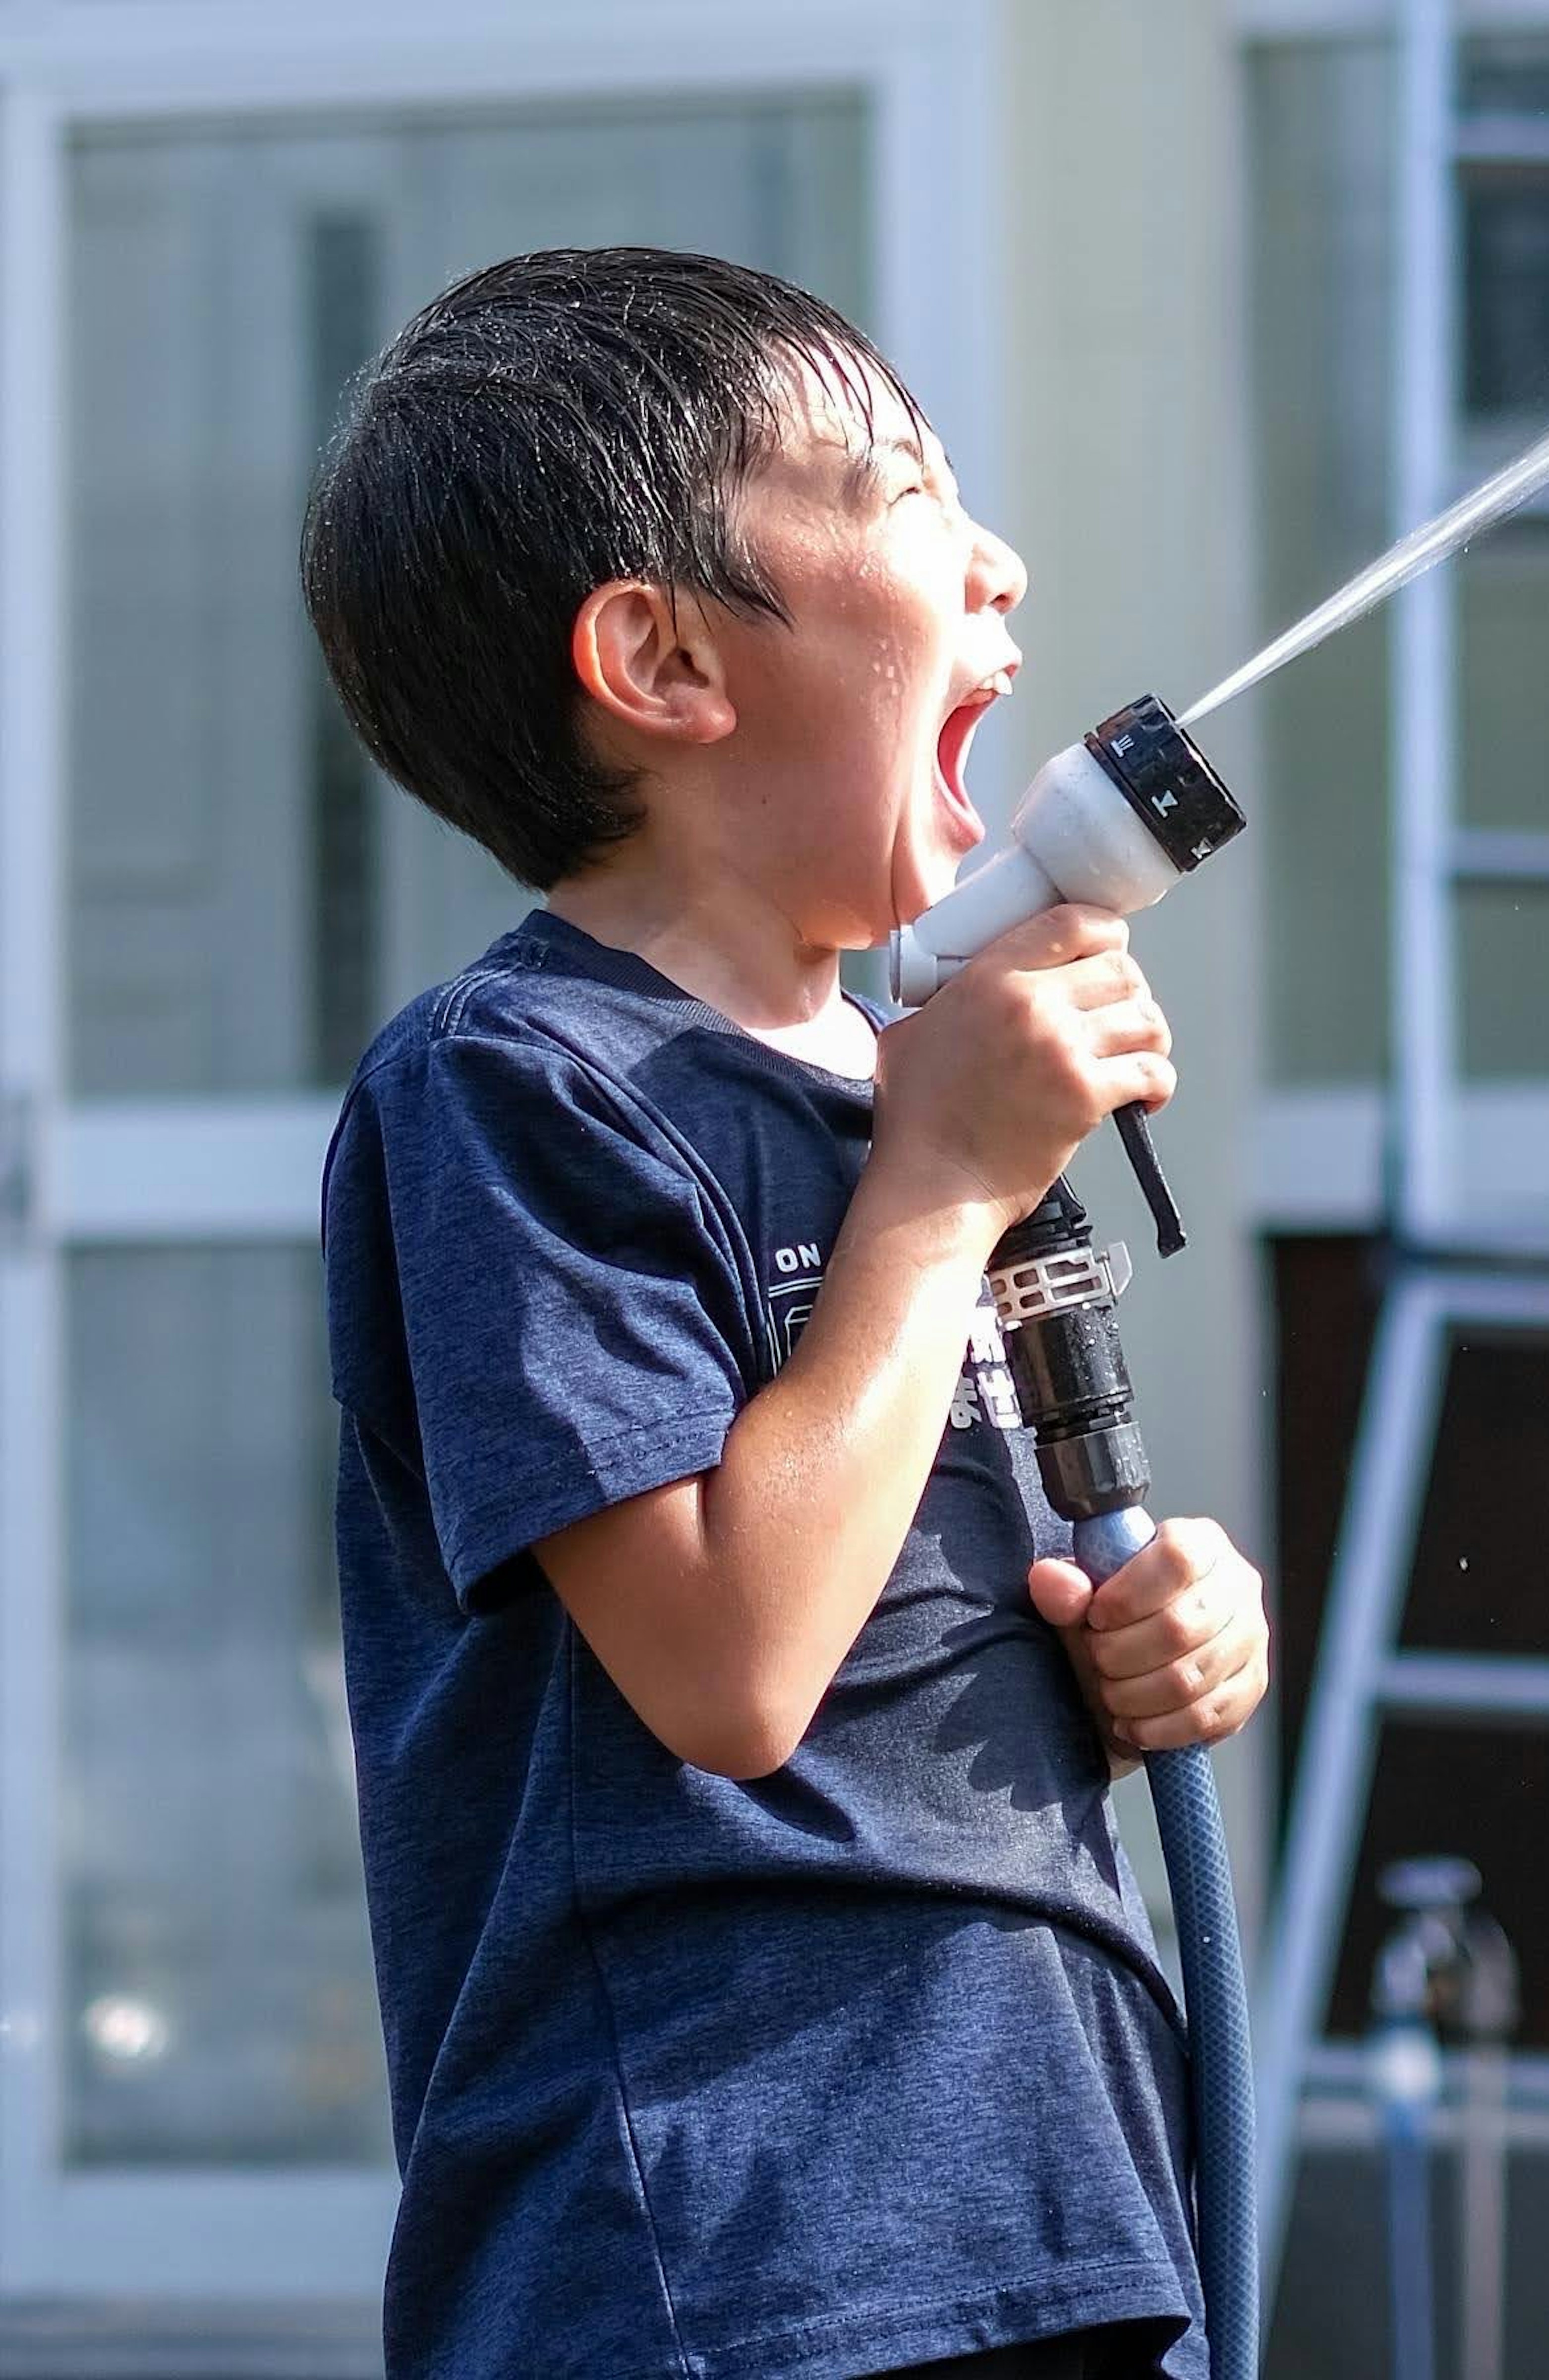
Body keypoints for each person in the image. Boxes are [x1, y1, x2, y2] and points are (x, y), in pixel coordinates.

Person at [306, 246, 1270, 2380]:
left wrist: (1153, 1621)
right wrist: (940, 1189)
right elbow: (735, 1672)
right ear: (658, 656)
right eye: (904, 494)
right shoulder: (515, 1090)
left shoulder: (898, 1098)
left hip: (1056, 2194)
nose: (999, 558)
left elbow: (913, 1591)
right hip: (732, 2252)